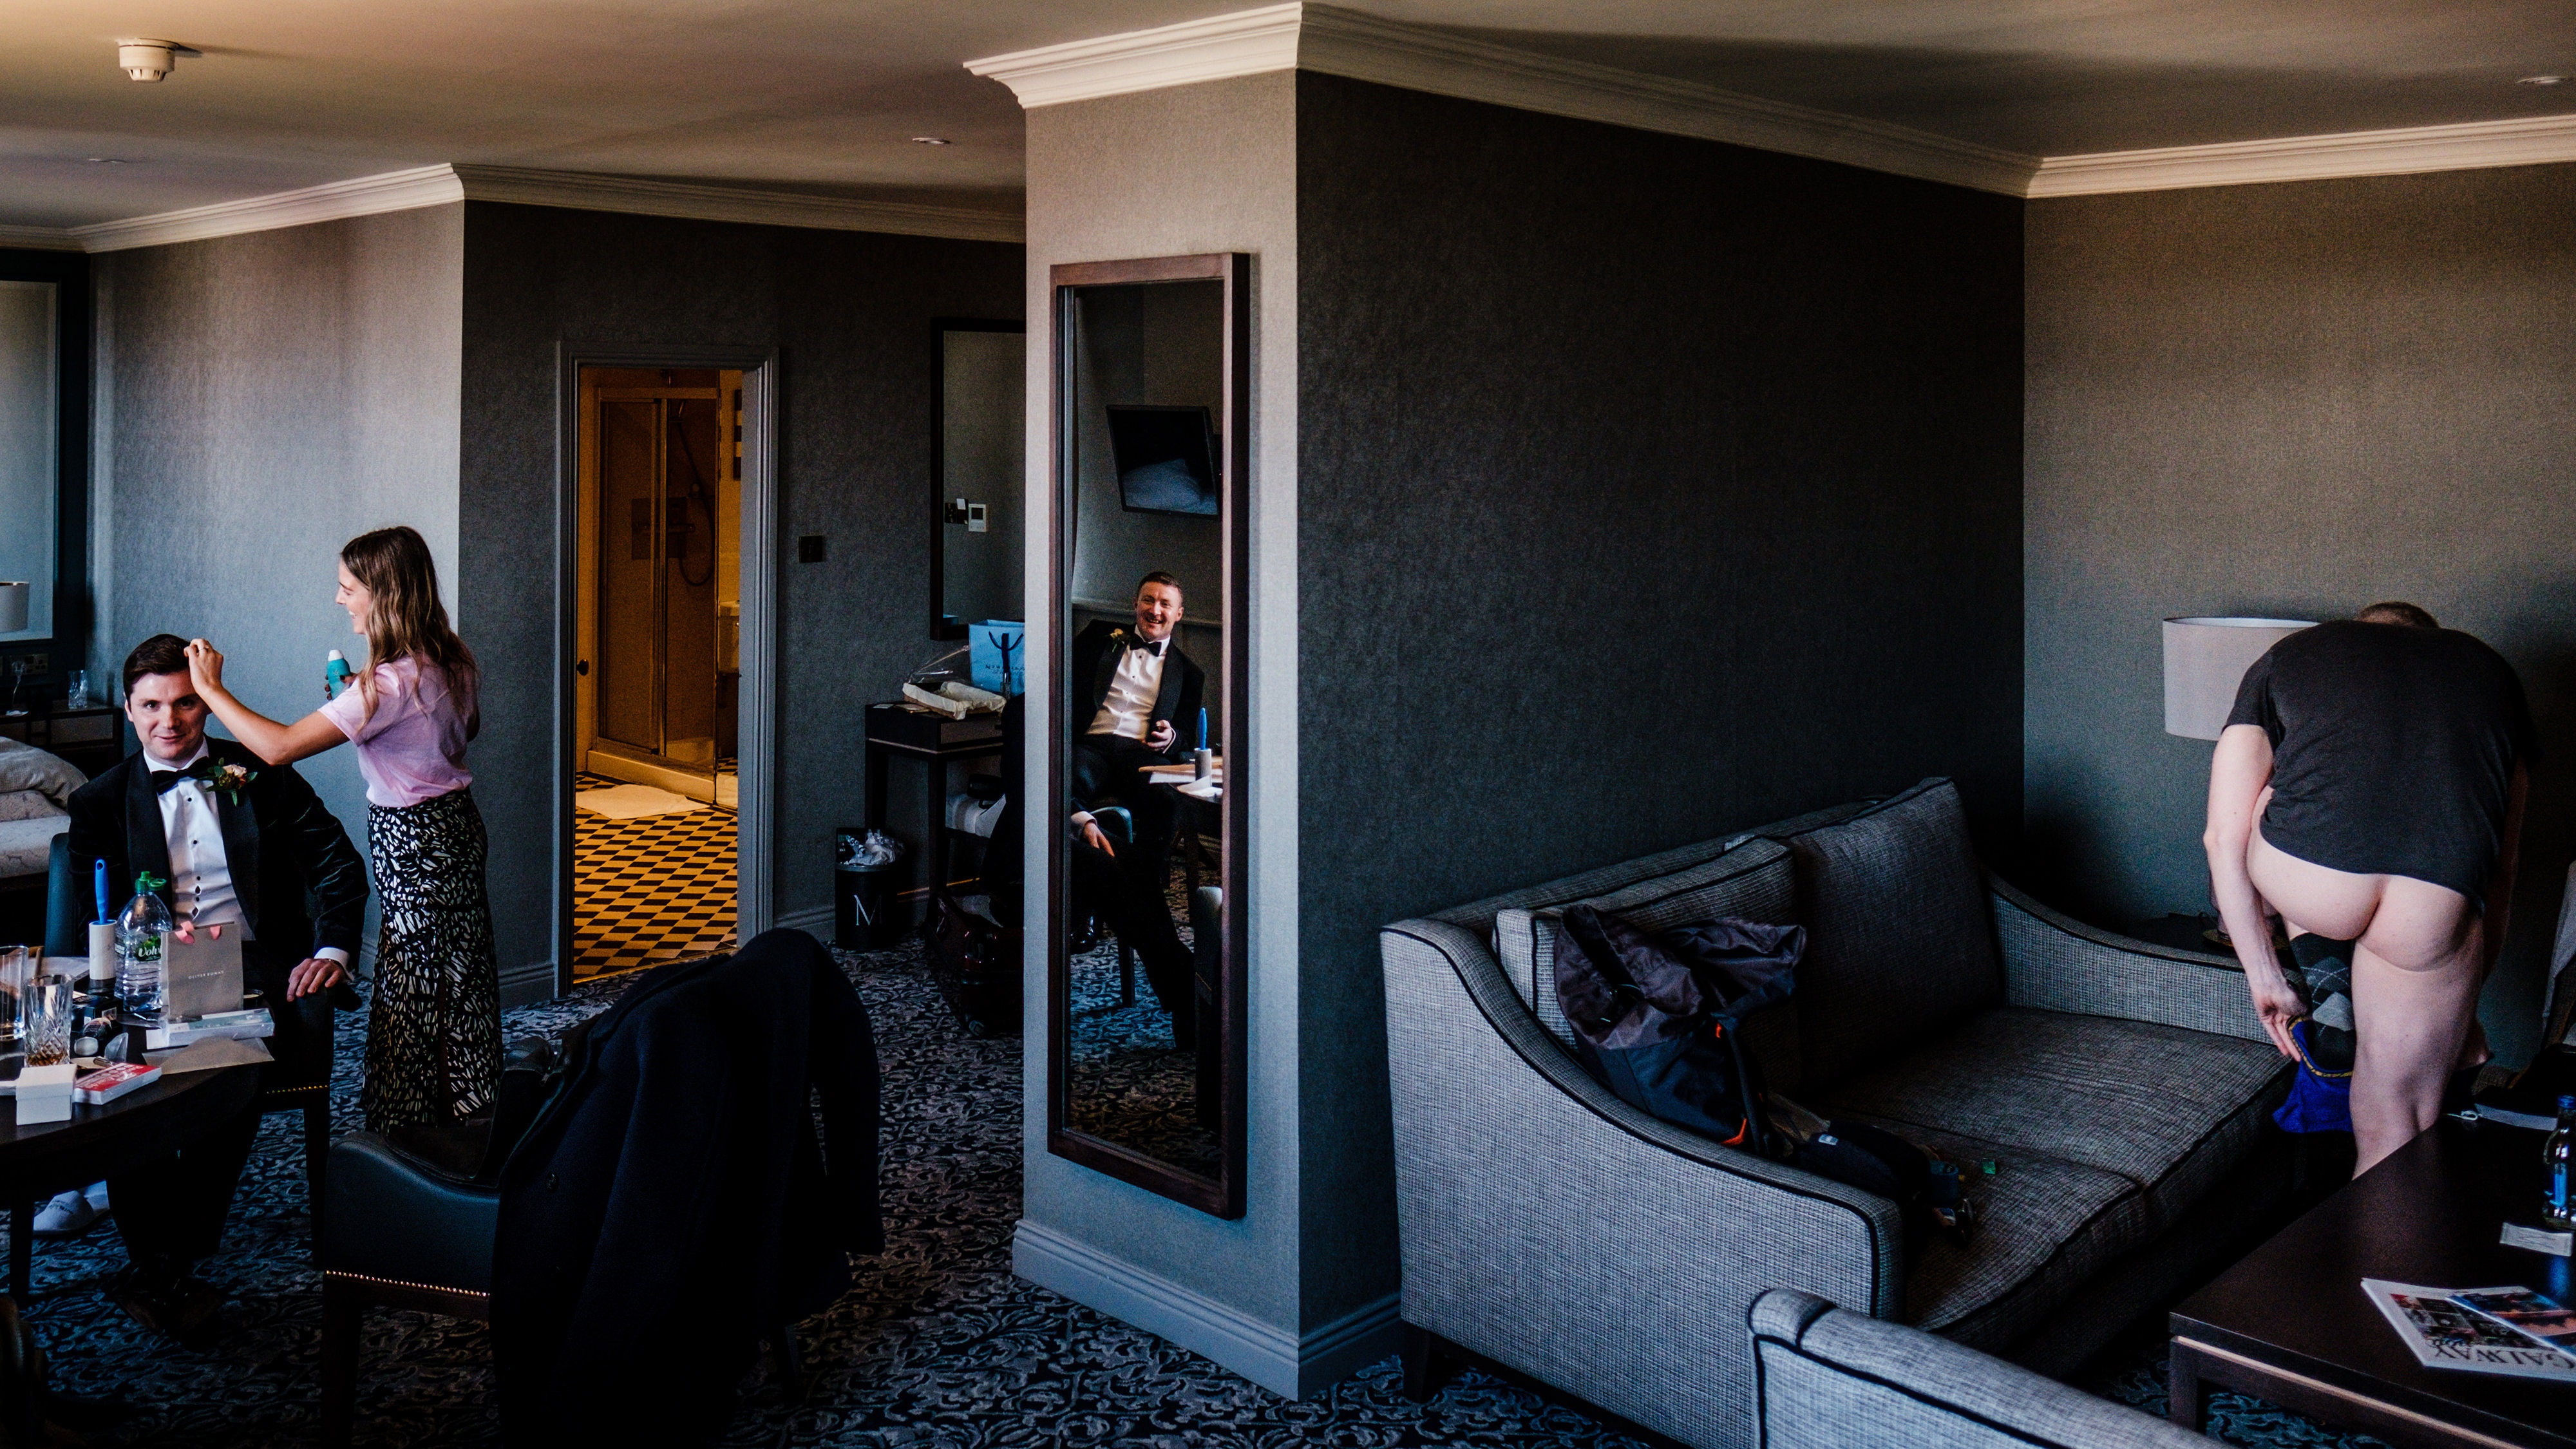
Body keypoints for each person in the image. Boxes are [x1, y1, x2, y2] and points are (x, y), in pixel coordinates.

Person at [66, 633, 368, 1337]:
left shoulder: (258, 771)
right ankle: (165, 1265)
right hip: (149, 969)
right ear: (128, 709)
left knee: (230, 1073)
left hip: (256, 966)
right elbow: (90, 916)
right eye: (151, 707)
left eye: (184, 704)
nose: (168, 722)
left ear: (205, 704)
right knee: (128, 1079)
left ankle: (164, 1263)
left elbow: (338, 865)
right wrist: (144, 940)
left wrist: (331, 949)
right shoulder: (99, 802)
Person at [185, 524, 502, 1135]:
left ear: (385, 594)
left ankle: (413, 1127)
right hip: (458, 827)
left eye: (348, 588)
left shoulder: (387, 686)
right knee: (460, 969)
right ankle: (471, 1109)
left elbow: (277, 749)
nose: (339, 599)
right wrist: (367, 710)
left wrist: (212, 690)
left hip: (414, 841)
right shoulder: (450, 657)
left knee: (415, 978)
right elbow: (465, 729)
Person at [2204, 601, 2533, 1175]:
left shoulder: (2291, 655)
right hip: (2431, 897)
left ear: (2360, 627)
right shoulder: (2491, 672)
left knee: (2270, 792)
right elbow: (2500, 869)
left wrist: (2265, 978)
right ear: (2430, 637)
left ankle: (2332, 994)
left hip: (2308, 878)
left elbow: (2221, 837)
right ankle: (2389, 1244)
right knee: (2396, 1129)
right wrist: (2458, 999)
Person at [990, 692, 1197, 1045]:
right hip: (1023, 853)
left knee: (1137, 868)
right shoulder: (1026, 710)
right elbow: (1028, 795)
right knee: (1110, 873)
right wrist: (1080, 819)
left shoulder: (1064, 708)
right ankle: (1191, 994)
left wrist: (1085, 822)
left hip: (1066, 834)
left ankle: (1187, 1004)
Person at [1069, 572, 1204, 895]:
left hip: (1141, 755)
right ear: (1135, 604)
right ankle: (1079, 891)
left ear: (1178, 614)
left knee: (1166, 800)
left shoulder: (1189, 673)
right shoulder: (1099, 636)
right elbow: (1061, 676)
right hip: (1091, 745)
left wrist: (1171, 738)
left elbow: (1186, 734)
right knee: (1065, 777)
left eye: (1165, 604)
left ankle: (1144, 891)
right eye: (1148, 600)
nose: (1155, 610)